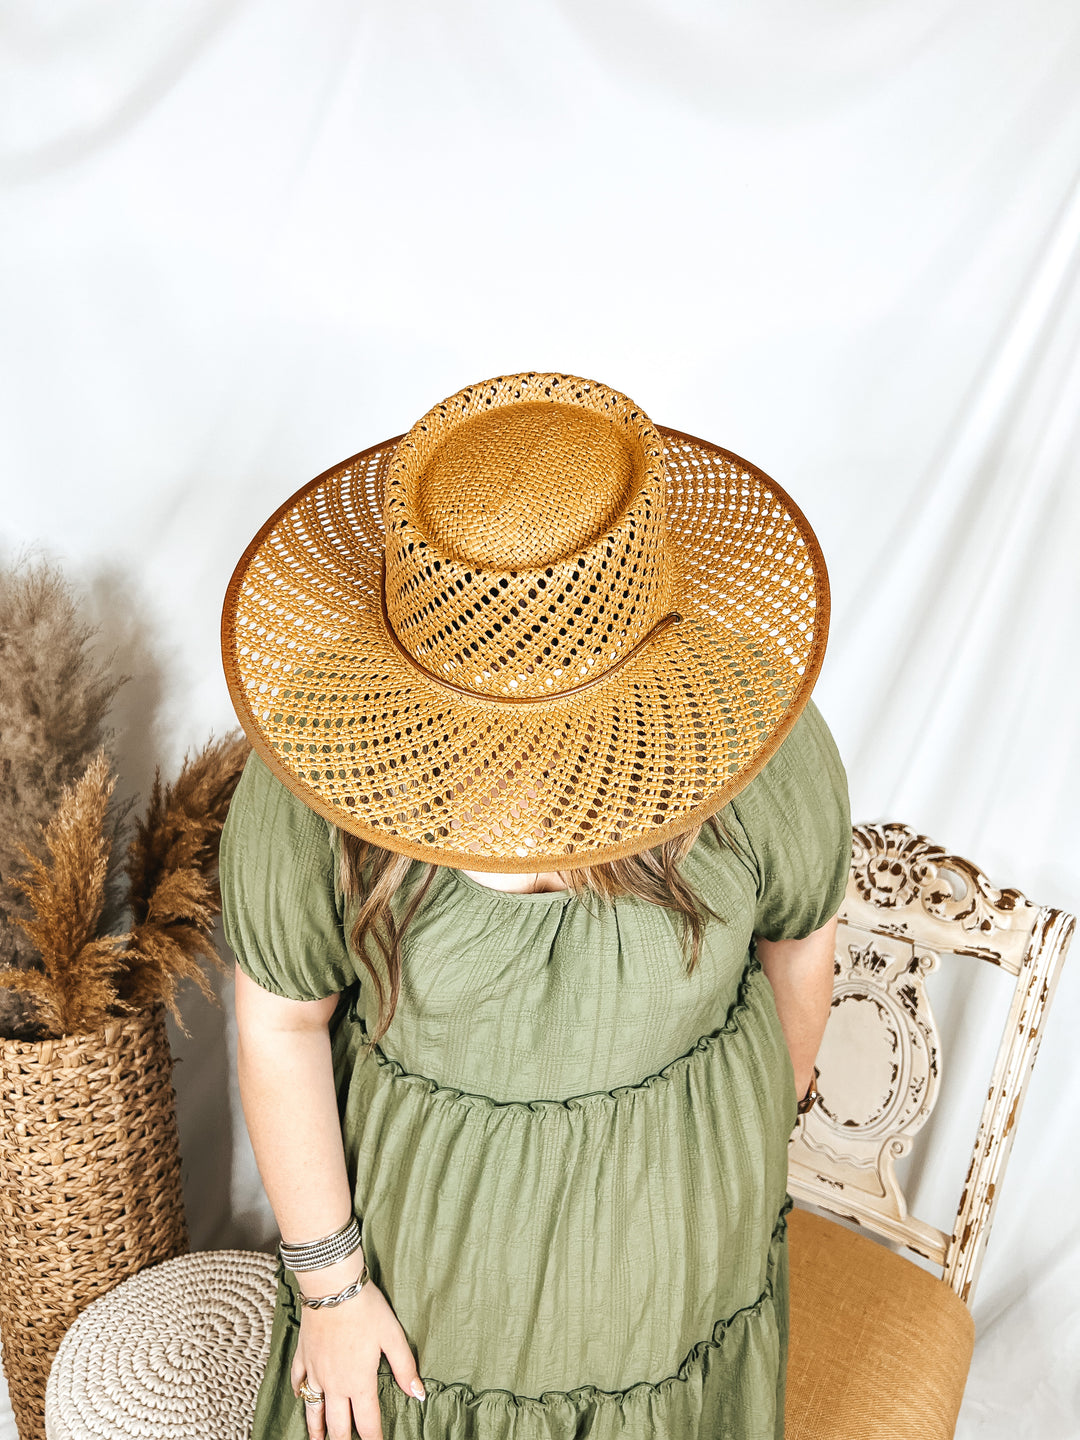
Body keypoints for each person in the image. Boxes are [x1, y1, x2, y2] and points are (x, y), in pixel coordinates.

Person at [219, 371, 850, 1440]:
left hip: (690, 1297)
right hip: (426, 1322)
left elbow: (803, 944)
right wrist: (329, 1293)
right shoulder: (321, 771)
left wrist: (742, 1135)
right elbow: (280, 1024)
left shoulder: (749, 731)